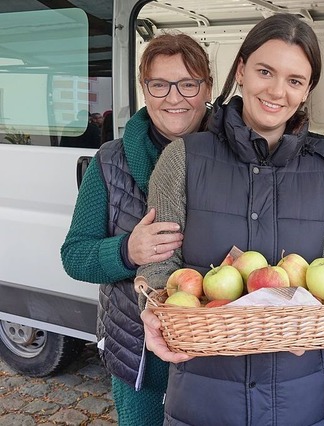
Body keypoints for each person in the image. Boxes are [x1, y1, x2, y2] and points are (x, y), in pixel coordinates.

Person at [138, 14, 324, 426]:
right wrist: (151, 310)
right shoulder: (183, 157)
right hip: (202, 399)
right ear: (241, 70)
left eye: (295, 80)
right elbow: (159, 268)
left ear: (308, 90)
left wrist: (314, 325)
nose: (277, 91)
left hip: (300, 404)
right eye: (265, 71)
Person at [60, 32, 213, 426]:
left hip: (217, 353)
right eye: (159, 84)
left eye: (188, 83)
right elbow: (75, 255)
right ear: (145, 89)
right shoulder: (111, 162)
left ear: (207, 87)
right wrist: (127, 251)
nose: (174, 97)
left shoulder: (234, 155)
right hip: (139, 358)